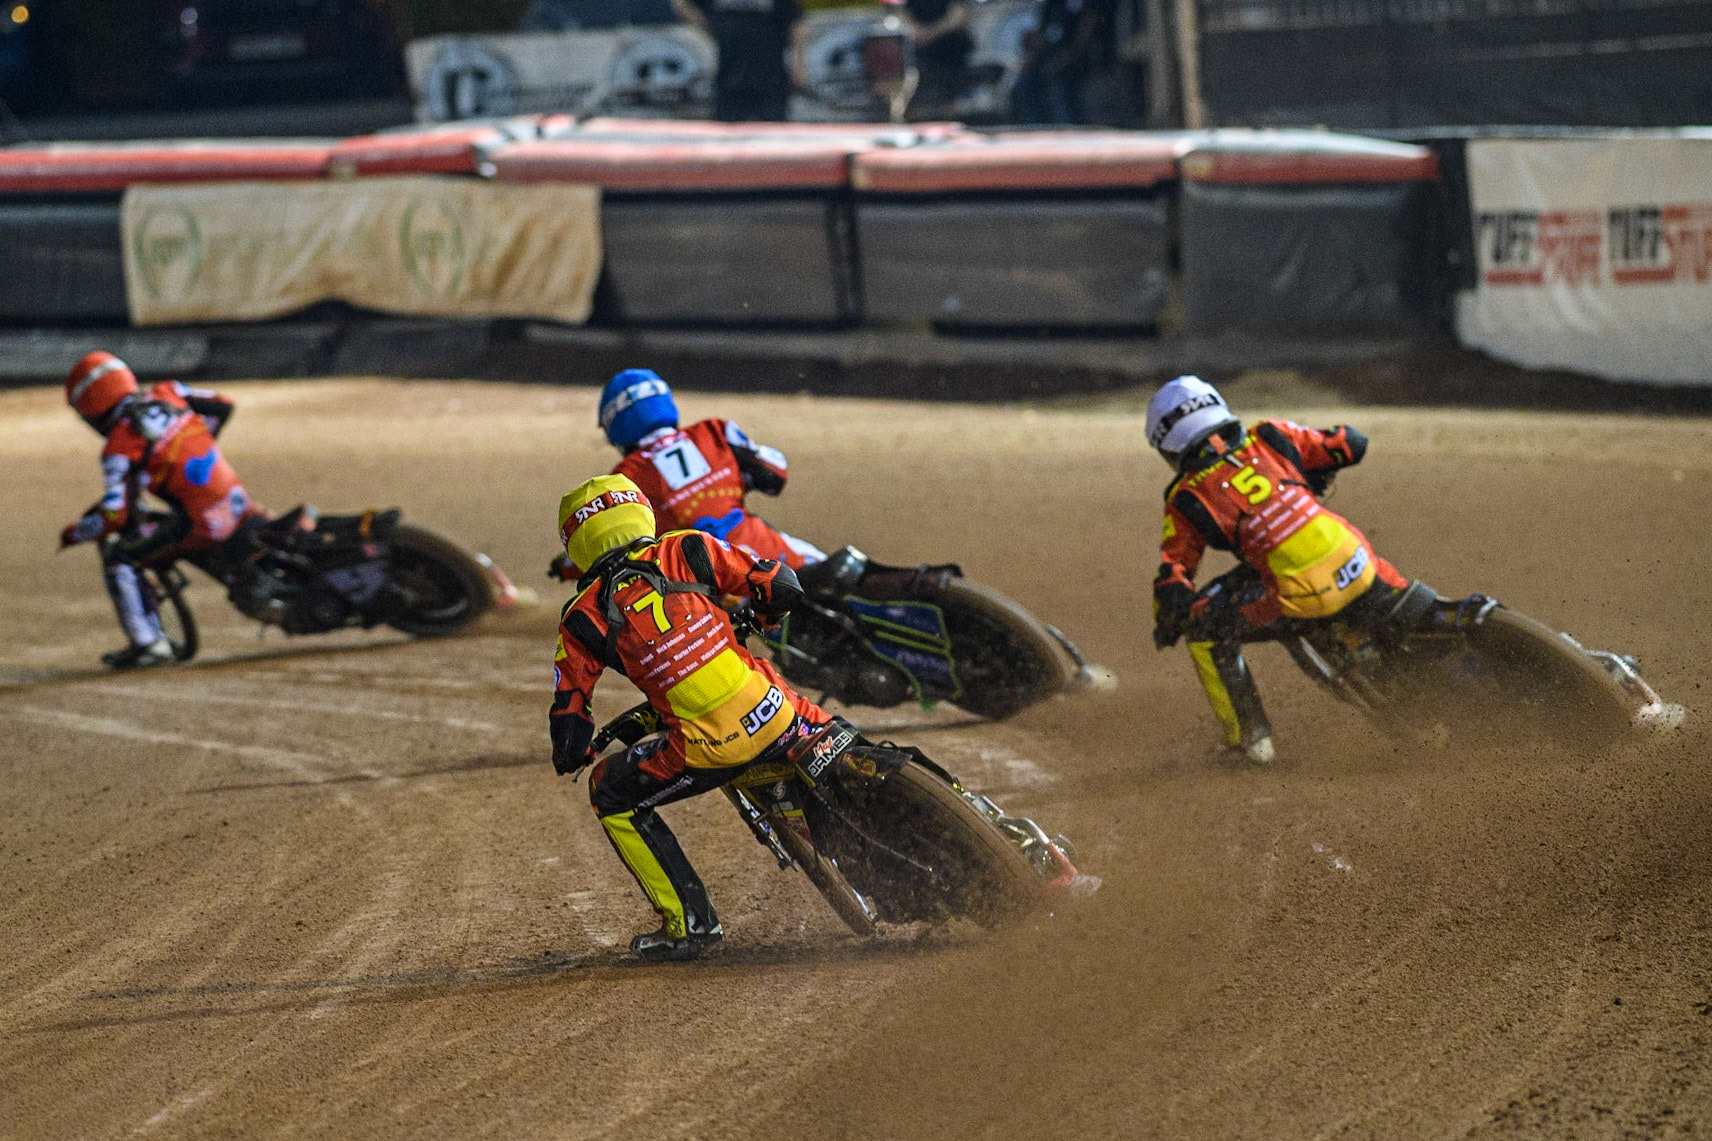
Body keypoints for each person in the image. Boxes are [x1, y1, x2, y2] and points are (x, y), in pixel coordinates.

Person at [549, 474, 854, 961]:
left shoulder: (581, 618)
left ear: (577, 544)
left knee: (608, 790)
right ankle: (988, 817)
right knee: (851, 747)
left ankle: (689, 924)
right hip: (780, 713)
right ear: (639, 510)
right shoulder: (686, 548)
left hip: (702, 749)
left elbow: (568, 720)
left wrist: (576, 753)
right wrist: (767, 619)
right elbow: (781, 584)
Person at [1147, 376, 1415, 763]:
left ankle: (1250, 743)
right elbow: (1350, 443)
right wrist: (1312, 472)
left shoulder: (1186, 497)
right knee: (1388, 584)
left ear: (1169, 446)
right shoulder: (1271, 434)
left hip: (1295, 596)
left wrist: (1169, 621)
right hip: (1357, 561)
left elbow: (1174, 574)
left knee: (1205, 634)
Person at [58, 352, 267, 670]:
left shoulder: (118, 448)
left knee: (121, 556)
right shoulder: (171, 391)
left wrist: (76, 532)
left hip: (202, 524)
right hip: (238, 502)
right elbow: (223, 404)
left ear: (92, 409)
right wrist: (195, 442)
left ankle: (148, 644)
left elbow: (116, 516)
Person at [551, 368, 825, 585]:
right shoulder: (714, 431)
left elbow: (608, 549)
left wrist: (566, 566)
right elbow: (775, 475)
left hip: (710, 590)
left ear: (615, 426)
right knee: (840, 570)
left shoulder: (626, 478)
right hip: (771, 555)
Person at [671, 0, 806, 122]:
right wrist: (709, 28)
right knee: (727, 138)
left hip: (770, 77)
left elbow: (796, 23)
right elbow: (682, 4)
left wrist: (799, 64)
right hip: (729, 76)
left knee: (773, 137)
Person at [1010, 0, 1107, 124]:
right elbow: (1042, 33)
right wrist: (1030, 55)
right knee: (1022, 86)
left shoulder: (1087, 5)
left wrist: (1064, 59)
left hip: (1075, 62)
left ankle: (1068, 131)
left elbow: (1083, 36)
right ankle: (1035, 131)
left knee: (1058, 88)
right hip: (1046, 61)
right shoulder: (1053, 4)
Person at [900, 0, 972, 105]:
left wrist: (930, 33)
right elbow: (904, 15)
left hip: (951, 53)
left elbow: (959, 16)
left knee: (950, 101)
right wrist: (918, 32)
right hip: (922, 56)